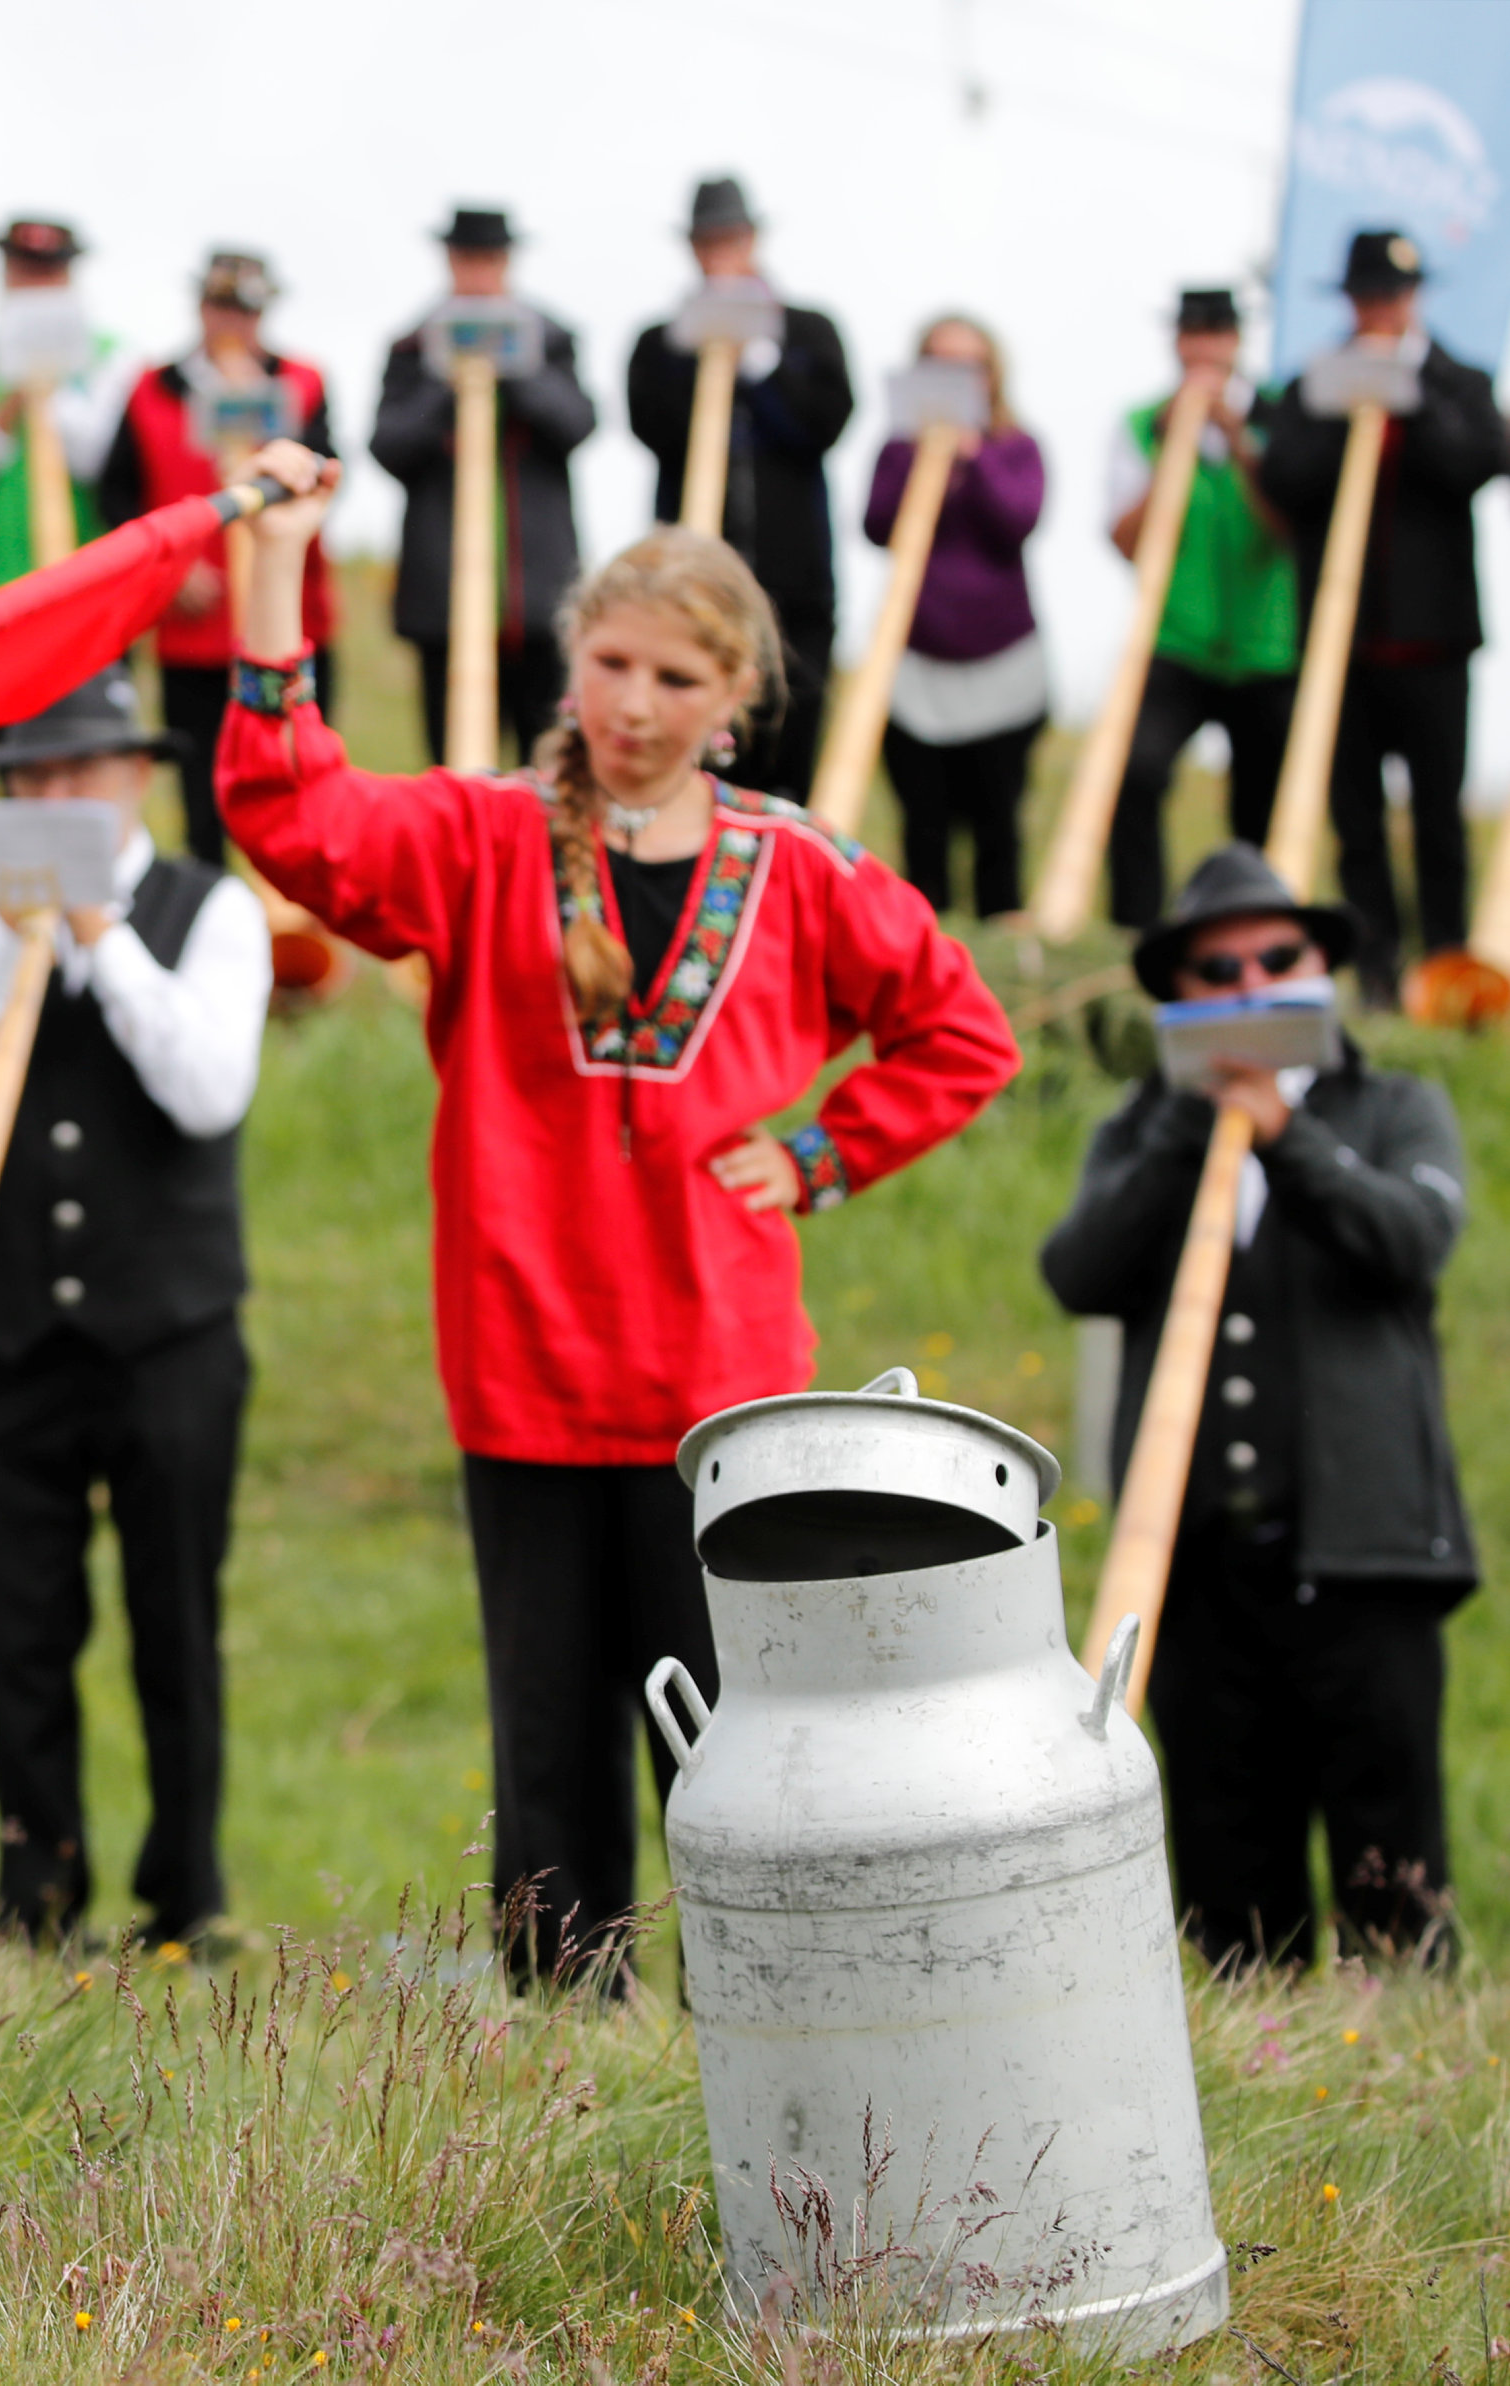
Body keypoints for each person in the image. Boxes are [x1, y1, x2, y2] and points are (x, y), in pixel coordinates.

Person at [215, 441, 1018, 1989]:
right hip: (524, 1362)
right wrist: (275, 571)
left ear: (736, 698)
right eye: (609, 662)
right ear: (570, 659)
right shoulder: (480, 836)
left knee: (732, 1728)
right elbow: (293, 815)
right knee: (545, 1733)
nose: (634, 702)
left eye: (673, 674)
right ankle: (559, 2043)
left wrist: (821, 1151)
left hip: (722, 1385)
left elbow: (962, 1033)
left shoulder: (799, 869)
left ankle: (761, 2018)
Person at [0, 666, 270, 1954]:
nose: (52, 795)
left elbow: (206, 1089)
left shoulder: (210, 912)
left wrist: (99, 933)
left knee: (174, 1620)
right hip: (12, 1336)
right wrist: (3, 931)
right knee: (23, 1624)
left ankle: (186, 1895)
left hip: (172, 1335)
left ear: (133, 776)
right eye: (29, 778)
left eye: (76, 773)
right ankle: (36, 1897)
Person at [1039, 845, 1474, 1969]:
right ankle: (1262, 2073)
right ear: (1177, 993)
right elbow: (1075, 1272)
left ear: (1321, 967)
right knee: (1230, 1881)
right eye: (1214, 969)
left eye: (1276, 960)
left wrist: (1291, 1136)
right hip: (1196, 1566)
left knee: (1392, 1864)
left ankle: (1406, 2074)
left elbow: (1411, 1241)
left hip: (1364, 1555)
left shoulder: (1391, 1106)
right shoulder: (1143, 1127)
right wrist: (1194, 1126)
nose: (1247, 986)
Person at [1254, 229, 1507, 1009]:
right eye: (1367, 299)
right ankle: (1375, 973)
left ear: (1414, 299)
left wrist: (1411, 396)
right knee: (1355, 821)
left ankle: (1447, 965)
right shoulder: (1311, 388)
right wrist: (1345, 406)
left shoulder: (1458, 380)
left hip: (1433, 643)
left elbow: (1480, 461)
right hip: (1342, 647)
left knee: (1439, 818)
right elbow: (1283, 484)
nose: (1380, 313)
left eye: (1392, 298)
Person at [98, 248, 341, 867]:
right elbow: (116, 496)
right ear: (200, 308)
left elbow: (329, 477)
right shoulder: (152, 388)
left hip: (289, 621)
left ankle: (291, 912)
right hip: (193, 632)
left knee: (293, 771)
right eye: (221, 306)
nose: (233, 323)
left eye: (247, 310)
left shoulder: (302, 383)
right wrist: (172, 571)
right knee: (203, 785)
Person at [626, 176, 853, 799]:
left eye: (731, 238)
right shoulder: (659, 342)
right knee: (695, 743)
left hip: (795, 584)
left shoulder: (808, 331)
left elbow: (825, 425)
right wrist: (701, 355)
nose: (720, 252)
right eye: (707, 241)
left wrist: (762, 367)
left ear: (754, 239)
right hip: (693, 584)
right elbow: (652, 428)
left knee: (792, 734)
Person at [368, 206, 594, 767]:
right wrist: (447, 382)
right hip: (443, 599)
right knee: (453, 761)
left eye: (489, 260)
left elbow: (578, 425)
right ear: (449, 262)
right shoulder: (413, 347)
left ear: (507, 263)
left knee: (550, 760)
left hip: (539, 600)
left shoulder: (552, 338)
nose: (478, 272)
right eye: (467, 259)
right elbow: (387, 446)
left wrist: (517, 370)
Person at [1105, 289, 1297, 930]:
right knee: (1134, 774)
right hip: (1176, 642)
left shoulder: (1280, 415)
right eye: (1192, 334)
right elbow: (1124, 541)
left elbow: (1292, 529)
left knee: (1261, 804)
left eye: (1217, 335)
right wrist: (1172, 454)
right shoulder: (1141, 423)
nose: (1204, 349)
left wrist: (1238, 440)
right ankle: (1137, 923)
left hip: (1268, 647)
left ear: (1237, 343)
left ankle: (1255, 927)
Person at [868, 314, 1046, 919]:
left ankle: (1001, 934)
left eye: (969, 365)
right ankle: (925, 930)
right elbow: (876, 525)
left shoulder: (1017, 447)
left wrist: (976, 458)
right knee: (925, 820)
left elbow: (1017, 521)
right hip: (916, 664)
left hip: (1003, 660)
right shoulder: (899, 449)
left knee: (999, 818)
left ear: (992, 376)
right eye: (939, 363)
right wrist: (925, 463)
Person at [0, 217, 135, 601]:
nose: (35, 286)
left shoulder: (113, 357)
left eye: (48, 273)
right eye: (24, 271)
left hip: (89, 584)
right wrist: (14, 398)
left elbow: (98, 461)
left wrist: (50, 381)